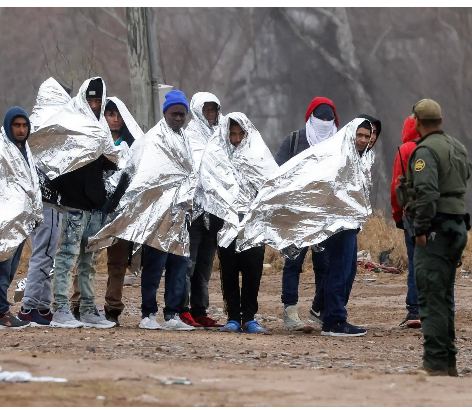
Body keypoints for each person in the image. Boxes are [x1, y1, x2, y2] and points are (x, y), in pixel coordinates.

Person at [404, 99, 469, 376]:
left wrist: (420, 229)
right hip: (457, 227)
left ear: (418, 122)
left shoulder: (426, 151)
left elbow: (428, 193)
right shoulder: (457, 146)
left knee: (431, 296)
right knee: (445, 295)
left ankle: (435, 363)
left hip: (436, 230)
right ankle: (448, 361)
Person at [49, 78, 117, 329]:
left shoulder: (102, 129)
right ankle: (61, 309)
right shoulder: (71, 125)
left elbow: (111, 161)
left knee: (89, 262)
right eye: (91, 100)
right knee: (67, 258)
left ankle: (88, 309)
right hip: (73, 205)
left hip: (94, 207)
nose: (95, 104)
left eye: (99, 100)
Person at [310, 114, 382, 329]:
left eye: (367, 136)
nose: (363, 139)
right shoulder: (340, 155)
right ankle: (334, 319)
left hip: (351, 222)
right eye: (359, 135)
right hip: (337, 223)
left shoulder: (365, 157)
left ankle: (332, 315)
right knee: (339, 271)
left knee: (347, 271)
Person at [274, 96, 339, 331]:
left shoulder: (339, 144)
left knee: (326, 265)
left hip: (326, 217)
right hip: (297, 216)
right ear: (310, 118)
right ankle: (290, 311)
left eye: (328, 118)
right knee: (293, 263)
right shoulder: (294, 141)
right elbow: (276, 173)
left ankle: (319, 308)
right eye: (320, 118)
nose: (324, 122)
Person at [215, 113, 278, 334]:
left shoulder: (259, 154)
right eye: (232, 134)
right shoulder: (218, 155)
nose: (236, 138)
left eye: (240, 134)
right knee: (229, 271)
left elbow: (271, 183)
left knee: (253, 272)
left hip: (253, 223)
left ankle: (249, 317)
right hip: (227, 222)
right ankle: (232, 316)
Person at [138, 89, 195, 331]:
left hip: (180, 215)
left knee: (179, 266)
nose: (179, 118)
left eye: (183, 115)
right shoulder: (154, 138)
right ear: (165, 113)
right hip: (158, 215)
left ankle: (172, 314)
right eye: (175, 114)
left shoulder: (185, 138)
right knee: (154, 265)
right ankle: (148, 313)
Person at [180, 92, 223, 328]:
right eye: (206, 110)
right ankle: (182, 308)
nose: (210, 114)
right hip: (193, 210)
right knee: (189, 263)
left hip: (214, 211)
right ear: (197, 110)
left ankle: (200, 309)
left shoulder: (222, 136)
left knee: (205, 265)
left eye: (213, 110)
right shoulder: (190, 136)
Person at [0, 106, 43, 328]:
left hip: (20, 221)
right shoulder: (2, 150)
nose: (21, 129)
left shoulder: (25, 150)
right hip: (4, 221)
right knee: (2, 266)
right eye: (16, 125)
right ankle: (1, 312)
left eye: (24, 125)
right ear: (8, 126)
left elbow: (31, 184)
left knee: (12, 266)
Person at [390, 115, 421, 329]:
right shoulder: (438, 147)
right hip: (440, 214)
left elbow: (396, 187)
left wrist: (397, 214)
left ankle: (415, 312)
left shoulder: (405, 150)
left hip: (413, 215)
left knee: (415, 262)